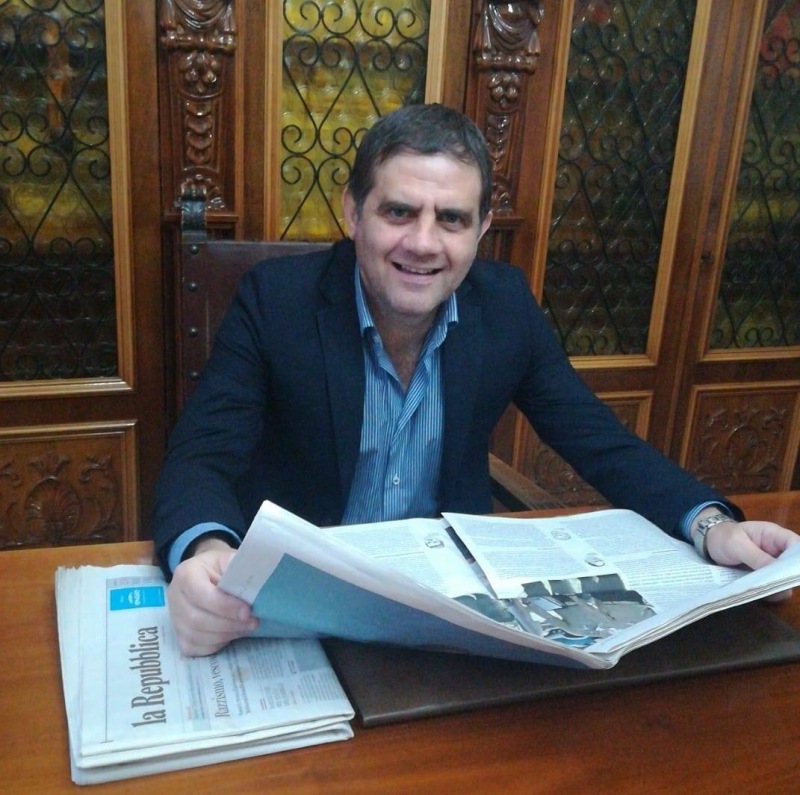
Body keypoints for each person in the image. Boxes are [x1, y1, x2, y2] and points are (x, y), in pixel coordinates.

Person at [152, 103, 798, 657]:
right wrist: (205, 552)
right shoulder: (275, 301)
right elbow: (200, 454)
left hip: (445, 611)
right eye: (399, 211)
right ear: (353, 211)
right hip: (304, 607)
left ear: (482, 227)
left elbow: (600, 440)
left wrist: (712, 525)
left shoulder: (505, 305)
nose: (423, 242)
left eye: (452, 219)